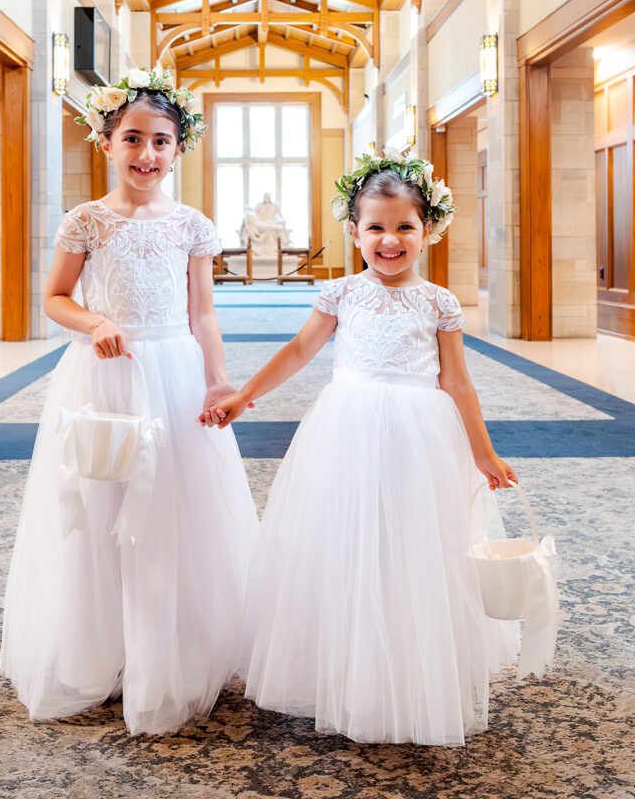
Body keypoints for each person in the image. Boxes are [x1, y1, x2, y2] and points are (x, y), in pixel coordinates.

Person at [200, 148, 519, 746]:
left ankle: (411, 662)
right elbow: (299, 352)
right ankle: (346, 663)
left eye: (404, 227)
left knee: (414, 542)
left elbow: (456, 381)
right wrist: (244, 396)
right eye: (375, 227)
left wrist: (483, 451)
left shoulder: (439, 302)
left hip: (421, 433)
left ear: (429, 231)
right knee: (347, 539)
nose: (389, 240)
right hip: (346, 427)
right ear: (354, 232)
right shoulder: (341, 294)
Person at [0, 67, 259, 735]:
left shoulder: (192, 226)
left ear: (179, 149)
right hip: (106, 374)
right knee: (103, 506)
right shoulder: (87, 220)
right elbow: (54, 298)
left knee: (176, 507)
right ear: (106, 142)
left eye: (162, 141)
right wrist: (95, 322)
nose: (147, 154)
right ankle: (102, 648)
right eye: (134, 138)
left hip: (174, 372)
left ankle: (172, 652)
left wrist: (217, 379)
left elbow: (203, 314)